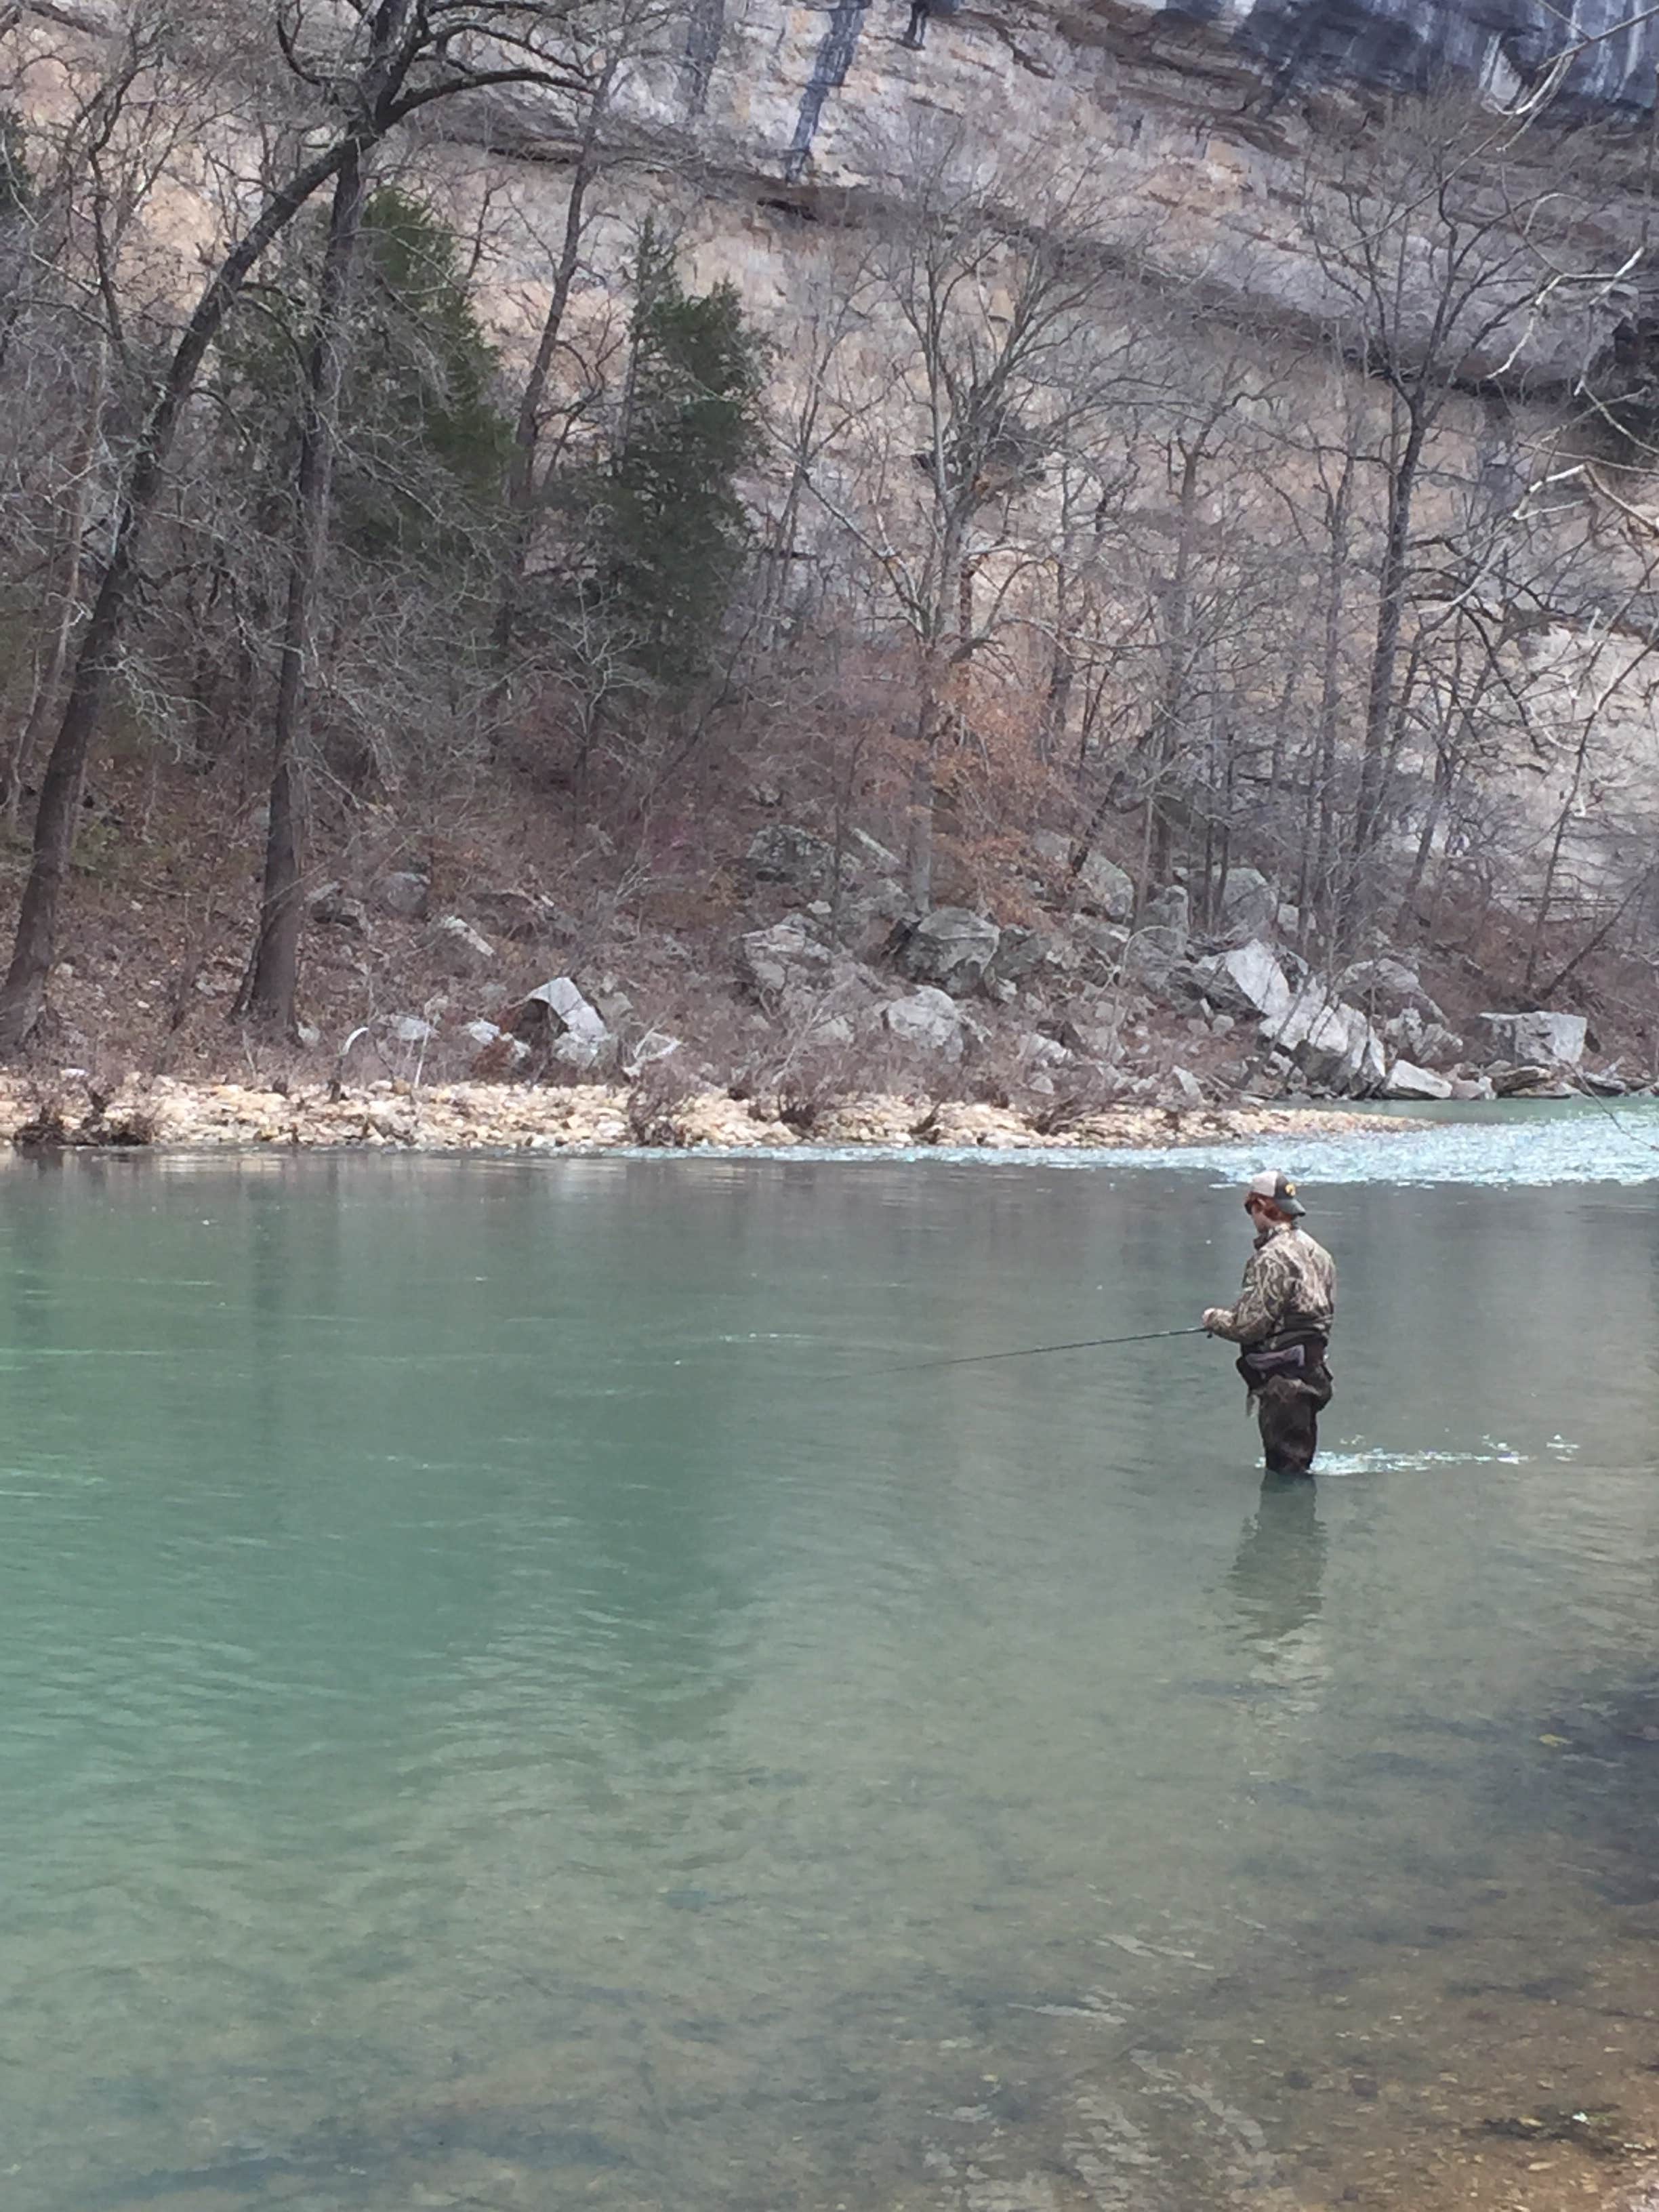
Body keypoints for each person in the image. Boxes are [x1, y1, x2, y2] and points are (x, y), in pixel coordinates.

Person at [1202, 1169, 1335, 1476]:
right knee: (1299, 1465)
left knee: (1286, 1473)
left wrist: (1213, 1319)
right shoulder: (1319, 1252)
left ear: (1260, 1205)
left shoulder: (1272, 1258)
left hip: (1283, 1384)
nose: (1251, 1217)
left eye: (1251, 1209)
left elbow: (1249, 1326)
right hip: (1314, 1374)